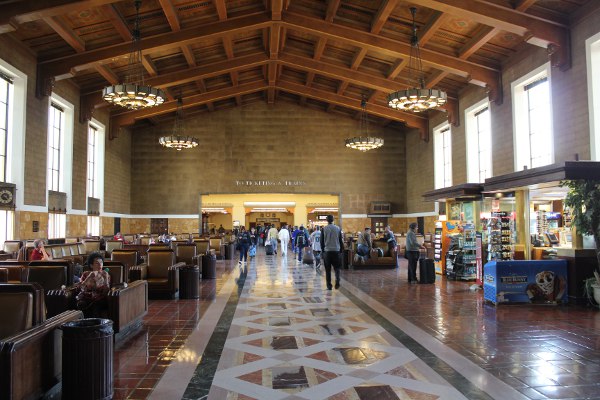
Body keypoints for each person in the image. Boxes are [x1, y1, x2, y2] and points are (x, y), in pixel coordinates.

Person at [76, 252, 111, 318]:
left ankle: (94, 326)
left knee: (96, 305)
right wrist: (88, 278)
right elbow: (80, 288)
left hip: (100, 299)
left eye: (101, 263)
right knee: (81, 304)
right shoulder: (86, 274)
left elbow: (106, 293)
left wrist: (106, 279)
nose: (100, 265)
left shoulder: (106, 275)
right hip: (86, 298)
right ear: (91, 265)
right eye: (97, 263)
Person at [321, 215, 344, 290]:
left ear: (327, 220)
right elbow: (340, 241)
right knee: (337, 268)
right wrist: (341, 251)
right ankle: (337, 280)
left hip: (327, 251)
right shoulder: (338, 228)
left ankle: (329, 285)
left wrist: (323, 251)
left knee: (328, 269)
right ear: (333, 220)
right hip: (336, 251)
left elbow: (322, 242)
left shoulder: (324, 229)